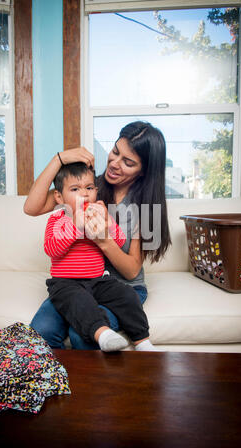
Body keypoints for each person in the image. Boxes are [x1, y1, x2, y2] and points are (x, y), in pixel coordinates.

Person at [26, 121, 171, 350]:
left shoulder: (148, 208)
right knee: (42, 332)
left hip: (122, 286)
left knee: (82, 335)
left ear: (144, 170)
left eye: (128, 162)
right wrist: (59, 159)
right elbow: (31, 208)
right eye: (115, 151)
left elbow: (132, 270)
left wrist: (103, 240)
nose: (114, 163)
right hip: (76, 283)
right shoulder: (89, 189)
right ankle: (55, 383)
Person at [44, 161, 156, 352]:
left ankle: (142, 341)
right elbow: (52, 249)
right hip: (66, 284)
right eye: (75, 189)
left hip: (98, 280)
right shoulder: (58, 219)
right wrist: (75, 227)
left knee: (127, 295)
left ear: (96, 191)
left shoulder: (101, 213)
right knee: (80, 302)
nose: (84, 193)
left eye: (89, 188)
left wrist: (107, 222)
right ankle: (102, 333)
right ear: (59, 196)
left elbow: (120, 241)